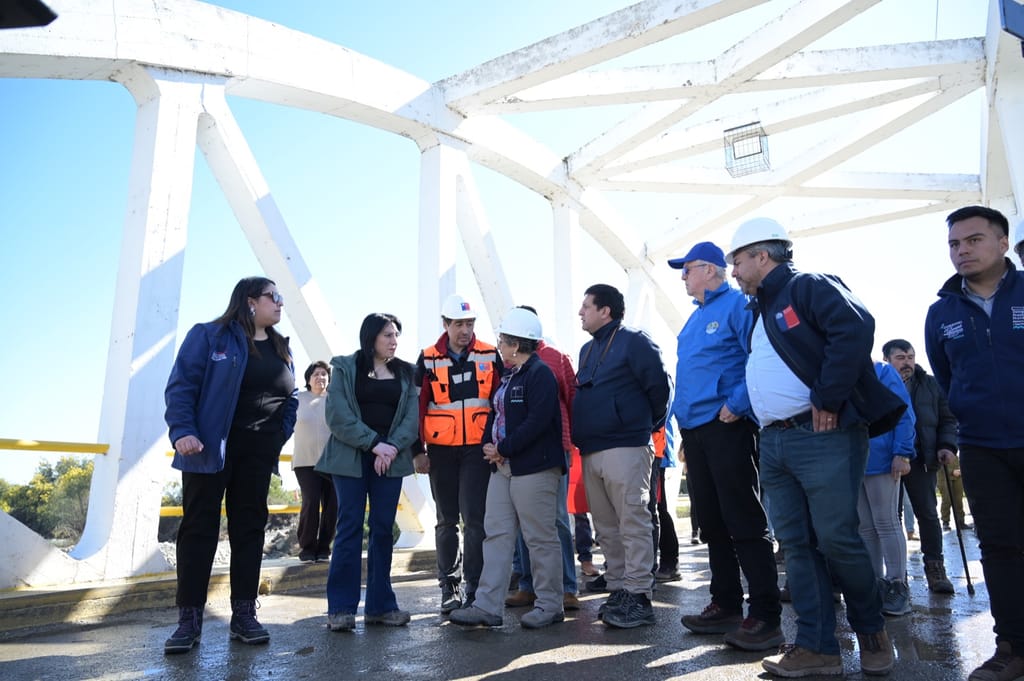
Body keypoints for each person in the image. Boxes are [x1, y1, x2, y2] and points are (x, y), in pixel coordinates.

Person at [728, 217, 905, 677]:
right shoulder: (759, 310)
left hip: (821, 434)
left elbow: (855, 327)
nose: (734, 271)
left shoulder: (806, 286)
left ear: (762, 256)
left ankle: (872, 633)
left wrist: (828, 396)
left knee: (837, 539)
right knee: (796, 546)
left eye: (737, 261)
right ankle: (816, 648)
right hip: (774, 440)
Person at [163, 276, 298, 654]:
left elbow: (291, 398)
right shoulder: (210, 336)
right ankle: (189, 620)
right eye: (274, 296)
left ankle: (244, 615)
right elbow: (182, 386)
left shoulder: (282, 347)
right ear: (250, 301)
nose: (281, 303)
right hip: (208, 449)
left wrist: (278, 436)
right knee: (198, 530)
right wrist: (183, 431)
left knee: (250, 530)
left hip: (258, 453)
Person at [924, 205, 1024, 681]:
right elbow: (947, 378)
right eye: (954, 244)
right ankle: (1013, 646)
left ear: (1003, 243)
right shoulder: (941, 313)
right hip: (982, 447)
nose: (962, 250)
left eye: (973, 240)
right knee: (1000, 549)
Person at [667, 241, 783, 651]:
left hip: (727, 426)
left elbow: (760, 356)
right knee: (712, 522)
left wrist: (738, 403)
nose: (683, 277)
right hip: (696, 432)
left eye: (688, 269)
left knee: (743, 519)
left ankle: (766, 614)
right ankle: (726, 604)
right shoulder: (693, 319)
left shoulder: (737, 306)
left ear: (710, 270)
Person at [450, 308, 567, 629]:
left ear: (516, 345)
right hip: (504, 467)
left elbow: (538, 421)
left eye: (502, 340)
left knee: (540, 538)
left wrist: (502, 448)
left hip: (534, 468)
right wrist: (490, 445)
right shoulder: (508, 375)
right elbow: (495, 414)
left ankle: (550, 605)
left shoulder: (540, 374)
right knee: (497, 535)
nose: (498, 345)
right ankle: (487, 606)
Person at [572, 283, 671, 629]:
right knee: (606, 527)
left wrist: (640, 425)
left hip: (627, 446)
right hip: (593, 450)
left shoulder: (635, 341)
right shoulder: (587, 350)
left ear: (605, 311)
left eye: (586, 306)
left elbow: (660, 388)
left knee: (633, 521)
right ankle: (619, 589)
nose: (580, 312)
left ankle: (639, 595)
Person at [316, 313, 419, 631]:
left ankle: (380, 607)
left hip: (390, 458)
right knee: (349, 527)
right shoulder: (345, 367)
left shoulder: (405, 372)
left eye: (396, 335)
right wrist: (375, 444)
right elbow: (337, 415)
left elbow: (411, 419)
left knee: (383, 529)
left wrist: (391, 447)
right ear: (371, 336)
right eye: (388, 334)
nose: (394, 340)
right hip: (351, 457)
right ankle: (340, 609)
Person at [414, 294, 503, 613]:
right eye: (459, 324)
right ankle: (449, 587)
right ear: (445, 324)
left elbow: (499, 403)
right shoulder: (428, 359)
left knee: (475, 521)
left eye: (470, 324)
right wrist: (417, 451)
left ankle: (475, 587)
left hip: (478, 451)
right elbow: (416, 407)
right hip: (441, 452)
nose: (465, 330)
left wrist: (499, 444)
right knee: (446, 521)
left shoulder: (490, 354)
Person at [504, 305, 581, 612]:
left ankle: (567, 587)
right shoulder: (507, 364)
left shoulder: (556, 358)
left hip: (554, 449)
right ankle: (528, 585)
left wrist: (572, 443)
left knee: (557, 519)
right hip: (518, 450)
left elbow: (572, 399)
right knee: (524, 521)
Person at [881, 339, 957, 593]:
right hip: (887, 460)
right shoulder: (878, 383)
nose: (907, 363)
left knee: (927, 514)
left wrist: (947, 445)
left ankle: (935, 568)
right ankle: (896, 574)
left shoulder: (930, 384)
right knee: (891, 518)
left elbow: (947, 418)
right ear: (887, 360)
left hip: (922, 458)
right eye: (900, 358)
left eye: (910, 357)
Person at [859, 362, 916, 617]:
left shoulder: (882, 371)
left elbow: (904, 412)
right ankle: (876, 584)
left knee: (886, 521)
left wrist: (902, 452)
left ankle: (897, 584)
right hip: (852, 460)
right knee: (865, 526)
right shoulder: (835, 370)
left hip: (882, 458)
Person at [291, 361, 336, 563]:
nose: (320, 377)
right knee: (311, 501)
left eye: (324, 374)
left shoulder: (335, 400)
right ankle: (307, 547)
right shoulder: (298, 399)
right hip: (305, 461)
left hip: (332, 461)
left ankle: (324, 547)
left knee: (332, 505)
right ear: (308, 379)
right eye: (316, 374)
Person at [938, 453, 970, 531]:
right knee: (947, 500)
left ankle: (961, 522)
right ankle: (945, 522)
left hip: (958, 474)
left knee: (958, 500)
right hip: (944, 476)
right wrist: (952, 471)